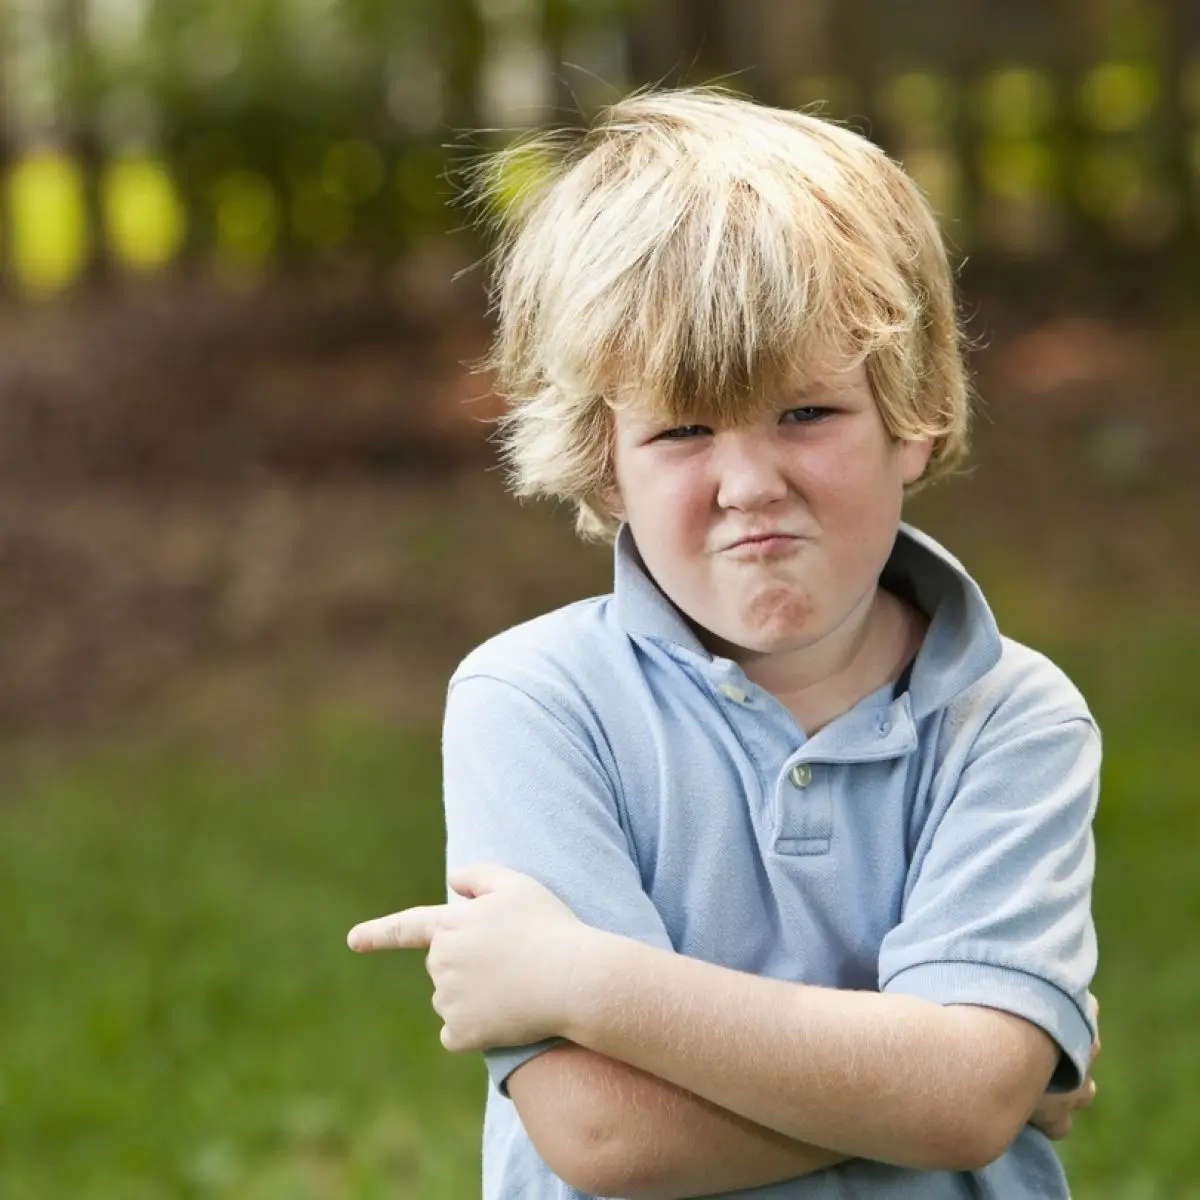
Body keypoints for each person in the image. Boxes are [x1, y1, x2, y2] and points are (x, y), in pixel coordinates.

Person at [348, 88, 1101, 1198]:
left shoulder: (1011, 714)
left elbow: (971, 1098)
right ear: (606, 461)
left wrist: (582, 981)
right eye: (683, 430)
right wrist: (944, 1085)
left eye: (807, 414)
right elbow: (606, 1135)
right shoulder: (536, 701)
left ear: (914, 414)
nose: (750, 485)